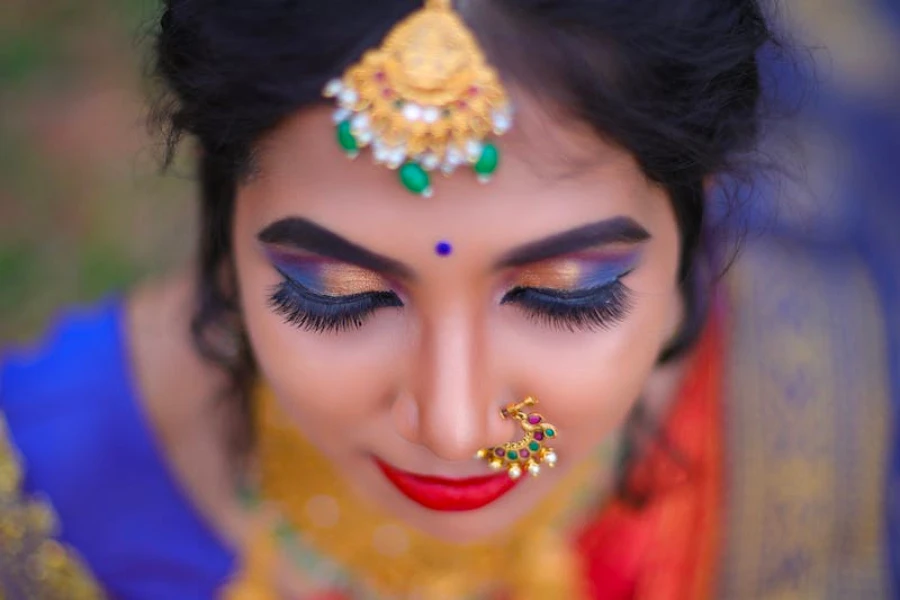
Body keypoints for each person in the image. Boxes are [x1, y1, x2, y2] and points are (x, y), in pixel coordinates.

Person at [0, 1, 891, 598]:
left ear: (693, 211)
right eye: (336, 296)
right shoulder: (54, 507)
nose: (455, 431)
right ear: (227, 219)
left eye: (566, 298)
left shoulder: (815, 401)